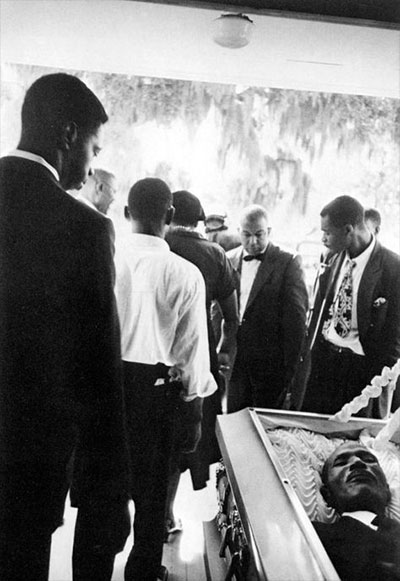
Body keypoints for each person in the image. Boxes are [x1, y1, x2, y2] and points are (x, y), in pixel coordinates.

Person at [0, 73, 130, 581]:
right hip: (25, 469)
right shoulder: (84, 230)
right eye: (94, 148)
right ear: (69, 135)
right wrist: (108, 493)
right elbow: (99, 375)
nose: (91, 165)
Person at [114, 178, 217, 581]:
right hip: (157, 395)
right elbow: (193, 355)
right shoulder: (185, 274)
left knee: (103, 492)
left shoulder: (105, 256)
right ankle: (141, 571)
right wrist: (194, 411)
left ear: (126, 213)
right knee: (154, 491)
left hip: (104, 389)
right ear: (171, 217)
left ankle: (93, 566)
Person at [164, 190, 238, 534]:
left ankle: (153, 514)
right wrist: (223, 348)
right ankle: (166, 511)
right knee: (184, 435)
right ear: (199, 219)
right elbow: (231, 315)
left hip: (155, 349)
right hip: (198, 350)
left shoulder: (158, 243)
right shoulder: (215, 254)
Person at [301, 195, 400, 418]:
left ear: (348, 230)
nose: (323, 239)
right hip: (324, 366)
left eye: (327, 232)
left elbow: (394, 342)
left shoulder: (393, 268)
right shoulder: (334, 257)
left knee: (349, 446)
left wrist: (378, 391)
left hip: (361, 373)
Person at [226, 204, 308, 412]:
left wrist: (290, 369)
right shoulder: (228, 259)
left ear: (269, 232)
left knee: (265, 424)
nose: (253, 241)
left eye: (259, 234)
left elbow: (296, 319)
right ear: (239, 232)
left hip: (271, 364)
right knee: (234, 422)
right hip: (236, 360)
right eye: (247, 234)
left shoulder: (288, 261)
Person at [313, 442, 400, 581]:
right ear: (327, 494)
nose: (358, 462)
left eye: (370, 460)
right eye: (341, 462)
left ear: (387, 490)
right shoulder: (311, 535)